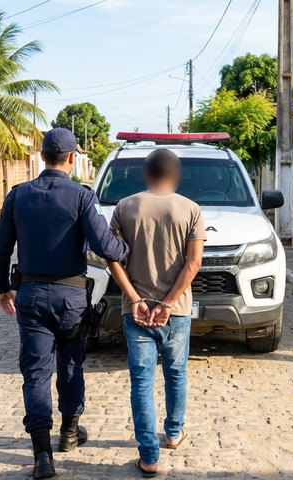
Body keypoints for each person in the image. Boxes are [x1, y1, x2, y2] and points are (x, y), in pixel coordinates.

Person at [0, 128, 129, 479]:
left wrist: (3, 287)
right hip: (71, 299)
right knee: (70, 366)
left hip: (31, 296)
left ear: (41, 157)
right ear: (71, 158)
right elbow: (104, 246)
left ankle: (42, 454)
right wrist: (125, 250)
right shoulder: (81, 196)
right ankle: (69, 431)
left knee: (35, 372)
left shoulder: (18, 195)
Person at [107, 149, 206, 478]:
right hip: (174, 312)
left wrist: (135, 299)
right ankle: (174, 433)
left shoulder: (125, 207)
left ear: (147, 173)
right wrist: (166, 303)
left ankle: (148, 456)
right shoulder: (191, 209)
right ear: (175, 175)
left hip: (135, 312)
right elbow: (194, 263)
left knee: (141, 382)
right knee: (176, 374)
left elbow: (112, 260)